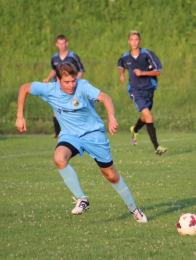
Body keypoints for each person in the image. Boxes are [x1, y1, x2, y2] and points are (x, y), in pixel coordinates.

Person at [15, 62, 147, 223]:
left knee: (111, 175)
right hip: (70, 135)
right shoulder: (49, 89)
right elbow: (24, 88)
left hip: (93, 135)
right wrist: (20, 116)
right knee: (59, 158)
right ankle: (82, 199)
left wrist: (111, 117)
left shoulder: (83, 86)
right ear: (57, 80)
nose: (71, 85)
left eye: (73, 81)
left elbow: (105, 98)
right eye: (66, 82)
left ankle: (134, 208)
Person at [117, 30, 167, 155]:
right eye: (132, 40)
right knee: (149, 116)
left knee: (145, 117)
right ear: (129, 41)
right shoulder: (125, 56)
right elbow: (121, 64)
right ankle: (157, 147)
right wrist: (122, 75)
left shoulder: (147, 54)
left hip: (149, 89)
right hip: (134, 90)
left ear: (140, 41)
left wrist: (143, 72)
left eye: (136, 39)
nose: (134, 42)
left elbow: (158, 71)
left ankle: (135, 129)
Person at [43, 35, 85, 138]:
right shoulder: (55, 57)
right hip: (58, 86)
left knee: (74, 106)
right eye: (59, 44)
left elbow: (81, 70)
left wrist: (75, 81)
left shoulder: (73, 56)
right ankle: (58, 134)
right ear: (56, 44)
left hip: (70, 87)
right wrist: (48, 78)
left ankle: (77, 129)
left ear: (67, 43)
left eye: (63, 43)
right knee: (56, 109)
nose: (61, 46)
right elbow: (54, 70)